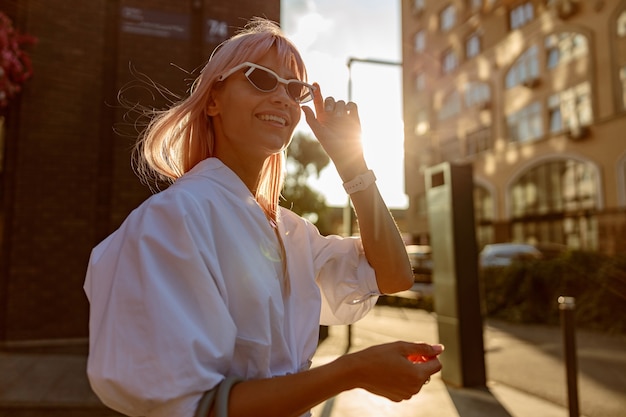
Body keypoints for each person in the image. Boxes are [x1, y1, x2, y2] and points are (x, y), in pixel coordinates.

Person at [84, 17, 443, 417]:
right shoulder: (171, 220)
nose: (284, 98)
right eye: (259, 79)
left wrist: (352, 164)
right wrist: (351, 371)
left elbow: (394, 275)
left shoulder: (291, 231)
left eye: (295, 89)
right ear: (213, 100)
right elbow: (192, 407)